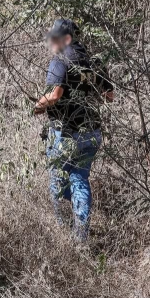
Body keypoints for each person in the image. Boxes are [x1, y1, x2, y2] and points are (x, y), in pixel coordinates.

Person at [33, 19, 114, 241]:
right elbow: (110, 96)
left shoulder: (60, 60)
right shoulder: (94, 61)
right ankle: (81, 237)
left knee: (57, 180)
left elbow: (55, 95)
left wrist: (37, 106)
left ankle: (62, 233)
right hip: (92, 132)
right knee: (79, 179)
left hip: (68, 133)